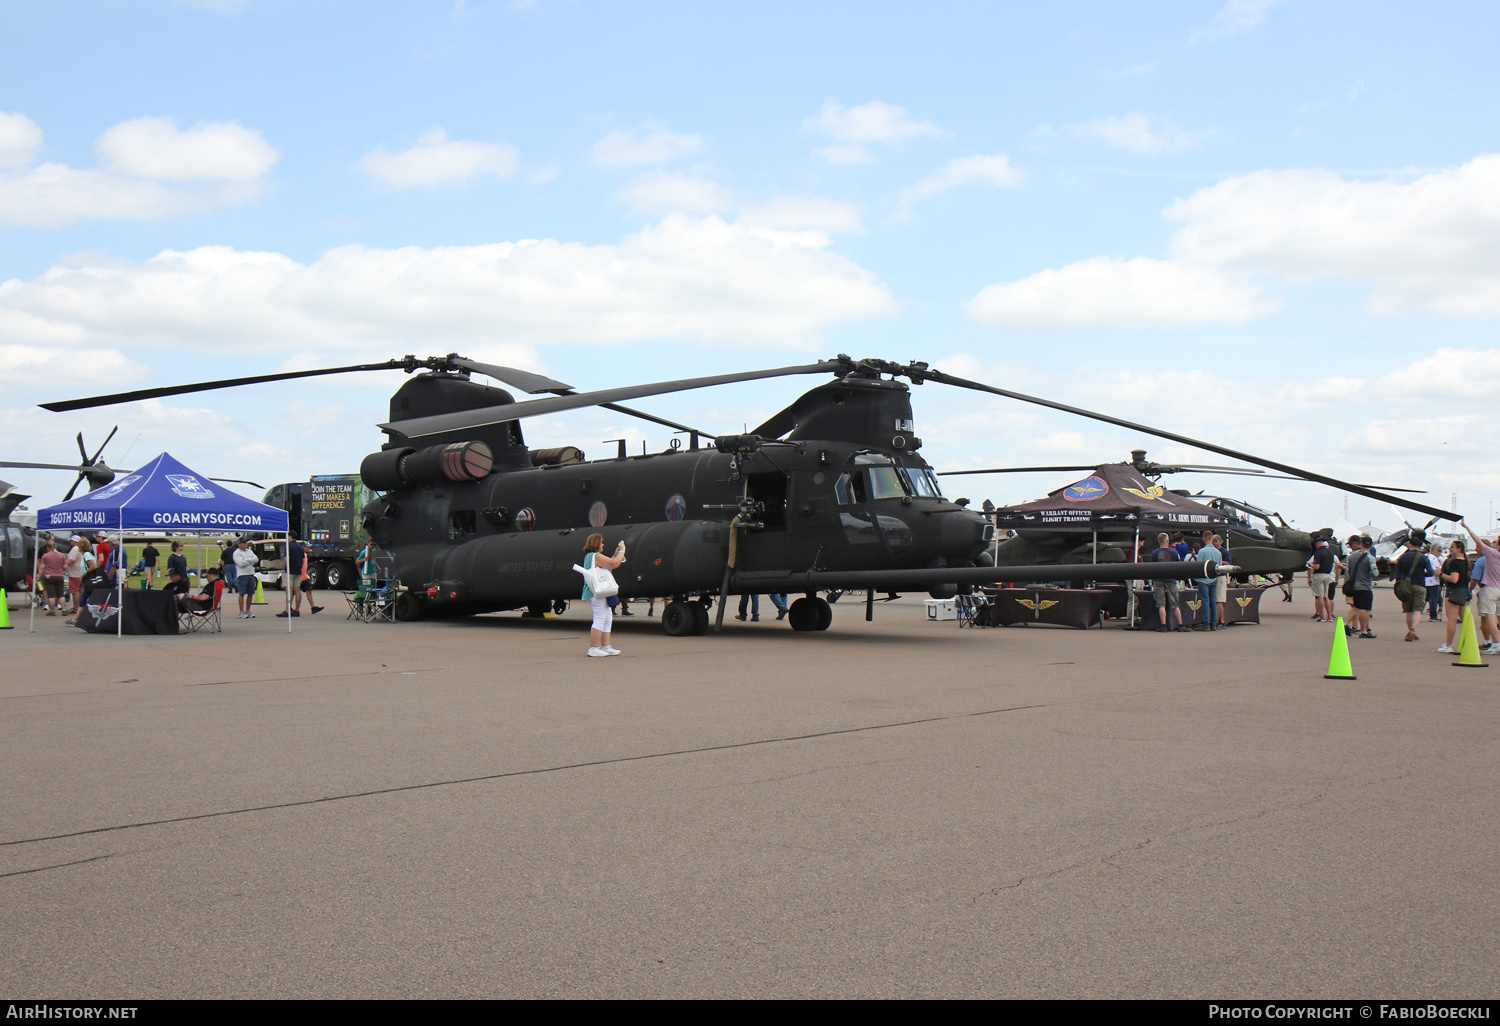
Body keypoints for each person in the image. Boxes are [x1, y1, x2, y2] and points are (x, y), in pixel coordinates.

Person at [1458, 521, 1500, 655]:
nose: (1493, 544)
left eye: (1495, 542)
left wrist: (1467, 527)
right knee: (1496, 616)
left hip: (1490, 588)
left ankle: (1496, 643)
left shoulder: (1492, 553)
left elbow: (1477, 540)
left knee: (1490, 616)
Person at [580, 533, 625, 657]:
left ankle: (606, 646)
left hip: (595, 592)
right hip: (596, 593)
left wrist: (616, 554)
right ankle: (594, 648)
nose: (603, 544)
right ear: (596, 543)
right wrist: (622, 551)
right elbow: (614, 564)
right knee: (600, 618)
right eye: (601, 542)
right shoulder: (595, 556)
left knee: (607, 617)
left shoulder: (591, 556)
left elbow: (609, 563)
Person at [1146, 533, 1186, 632]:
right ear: (1167, 541)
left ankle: (1163, 625)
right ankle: (1180, 625)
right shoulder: (1174, 552)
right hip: (1171, 580)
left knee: (1161, 604)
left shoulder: (1154, 553)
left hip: (1159, 580)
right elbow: (1179, 566)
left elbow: (1150, 567)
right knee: (1175, 603)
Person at [1393, 533, 1428, 642]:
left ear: (1410, 544)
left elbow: (1397, 574)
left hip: (1406, 587)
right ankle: (1413, 629)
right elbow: (1430, 572)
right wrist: (1423, 574)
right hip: (1420, 585)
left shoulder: (1402, 557)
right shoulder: (1423, 557)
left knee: (1408, 610)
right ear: (1421, 546)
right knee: (1417, 610)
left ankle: (1409, 630)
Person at [1437, 539, 1471, 654]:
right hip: (1464, 591)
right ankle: (1468, 642)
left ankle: (1449, 644)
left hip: (1454, 591)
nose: (1450, 549)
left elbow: (1454, 579)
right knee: (1465, 618)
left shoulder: (1454, 562)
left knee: (1452, 619)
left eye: (1452, 547)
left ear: (1459, 549)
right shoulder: (1466, 562)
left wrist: (1441, 575)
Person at [277, 535, 324, 617]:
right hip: (298, 572)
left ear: (290, 536)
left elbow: (286, 558)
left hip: (291, 571)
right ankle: (297, 610)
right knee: (297, 591)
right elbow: (302, 562)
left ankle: (288, 610)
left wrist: (284, 568)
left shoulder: (288, 546)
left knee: (290, 591)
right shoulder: (300, 548)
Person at [1341, 534, 1376, 639]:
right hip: (1365, 586)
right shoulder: (1370, 557)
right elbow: (1375, 573)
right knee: (1365, 609)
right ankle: (1364, 631)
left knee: (1356, 607)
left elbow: (1348, 572)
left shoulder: (1351, 557)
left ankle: (1346, 624)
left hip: (1355, 585)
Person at [36, 536, 68, 616]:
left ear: (48, 548)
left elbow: (42, 567)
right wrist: (60, 570)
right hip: (59, 575)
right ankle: (63, 610)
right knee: (60, 594)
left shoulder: (45, 556)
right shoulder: (61, 556)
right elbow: (65, 567)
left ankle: (52, 611)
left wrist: (38, 576)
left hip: (48, 576)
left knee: (51, 594)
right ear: (55, 546)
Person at [1195, 536, 1223, 631]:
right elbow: (1219, 567)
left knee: (1205, 602)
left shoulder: (1202, 551)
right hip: (1214, 579)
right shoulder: (1218, 552)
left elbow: (1198, 566)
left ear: (1203, 539)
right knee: (1213, 601)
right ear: (1212, 539)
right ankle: (1213, 624)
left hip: (1203, 579)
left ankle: (1206, 624)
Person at [1306, 537, 1336, 622]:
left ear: (1317, 544)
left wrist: (1310, 564)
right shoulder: (1330, 552)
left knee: (1320, 596)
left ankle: (1322, 616)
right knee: (1326, 596)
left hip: (1319, 575)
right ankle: (1330, 616)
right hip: (1328, 575)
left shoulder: (1318, 553)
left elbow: (1317, 566)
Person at [232, 537, 259, 619]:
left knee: (250, 593)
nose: (245, 544)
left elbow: (256, 559)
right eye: (243, 543)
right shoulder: (236, 553)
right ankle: (241, 611)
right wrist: (250, 561)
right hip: (242, 575)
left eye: (246, 542)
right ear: (239, 544)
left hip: (250, 573)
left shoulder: (249, 551)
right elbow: (241, 563)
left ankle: (248, 610)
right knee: (242, 593)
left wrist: (246, 559)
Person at [1424, 543, 1444, 623]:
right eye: (1439, 551)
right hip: (1433, 582)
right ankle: (1433, 615)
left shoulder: (1424, 556)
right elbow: (1436, 571)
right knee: (1433, 599)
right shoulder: (1434, 559)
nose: (1440, 553)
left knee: (1425, 598)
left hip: (1423, 580)